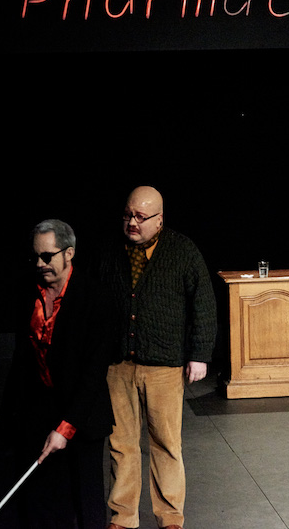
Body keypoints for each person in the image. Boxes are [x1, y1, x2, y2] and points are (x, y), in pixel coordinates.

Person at [98, 186, 217, 529]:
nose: (132, 222)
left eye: (140, 216)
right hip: (118, 364)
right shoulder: (110, 250)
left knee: (166, 444)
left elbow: (204, 304)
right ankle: (123, 517)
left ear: (159, 219)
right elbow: (94, 302)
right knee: (121, 445)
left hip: (164, 364)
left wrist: (199, 355)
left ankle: (170, 518)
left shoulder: (182, 250)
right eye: (127, 215)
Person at [0, 219, 114, 528]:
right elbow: (21, 360)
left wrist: (65, 428)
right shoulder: (28, 292)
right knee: (44, 497)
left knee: (86, 498)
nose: (40, 264)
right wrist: (6, 413)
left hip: (82, 415)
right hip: (40, 410)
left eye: (47, 256)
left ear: (69, 253)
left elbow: (93, 372)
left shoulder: (95, 297)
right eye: (36, 256)